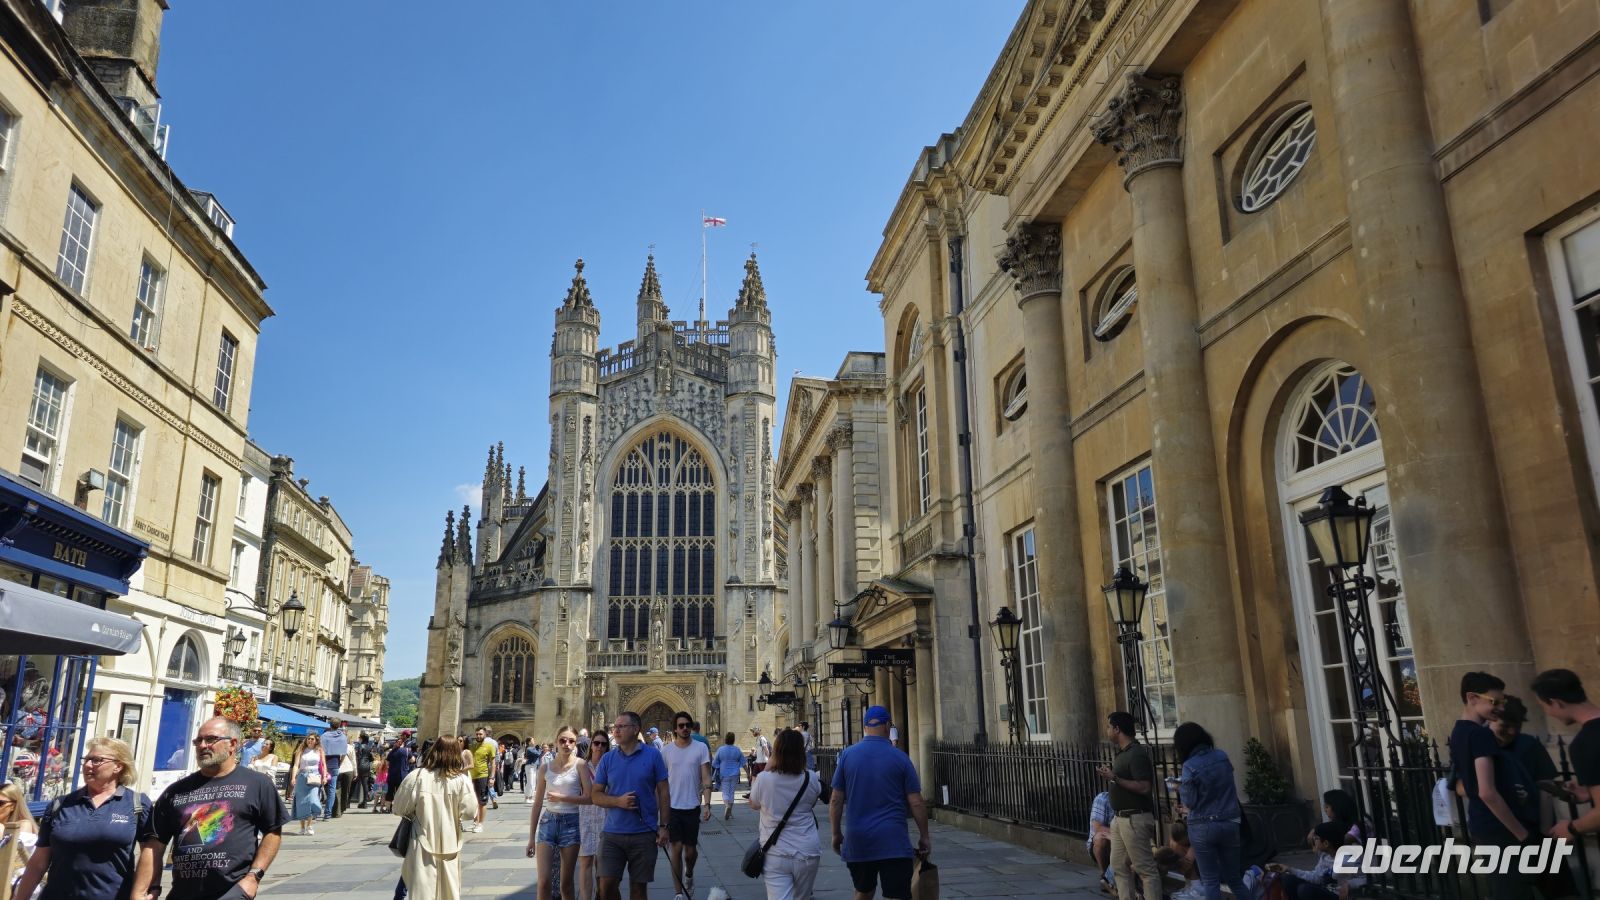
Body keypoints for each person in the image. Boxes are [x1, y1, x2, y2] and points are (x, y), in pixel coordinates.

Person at [132, 717, 287, 900]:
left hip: (232, 893)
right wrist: (143, 891)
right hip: (182, 893)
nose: (202, 745)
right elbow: (154, 845)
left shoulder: (257, 784)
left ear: (232, 744)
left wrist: (253, 877)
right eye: (198, 740)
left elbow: (273, 832)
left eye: (211, 739)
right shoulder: (176, 791)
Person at [13, 737, 151, 900]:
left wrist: (142, 892)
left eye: (96, 760)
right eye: (86, 760)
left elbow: (150, 853)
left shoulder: (137, 804)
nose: (87, 765)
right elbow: (38, 862)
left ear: (118, 766)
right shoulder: (60, 805)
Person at [1450, 671, 1537, 899]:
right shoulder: (1481, 735)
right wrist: (1522, 834)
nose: (1499, 708)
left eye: (1502, 702)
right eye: (1494, 702)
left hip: (1482, 824)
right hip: (1499, 827)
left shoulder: (1459, 731)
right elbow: (1487, 791)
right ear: (1472, 698)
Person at [829, 705, 929, 900]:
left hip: (859, 840)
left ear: (866, 727)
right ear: (886, 726)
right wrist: (925, 836)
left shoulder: (848, 755)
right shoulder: (901, 758)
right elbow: (916, 802)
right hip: (893, 840)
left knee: (863, 891)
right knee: (897, 895)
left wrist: (836, 833)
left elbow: (835, 800)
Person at [589, 711, 670, 900]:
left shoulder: (653, 755)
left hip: (644, 832)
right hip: (612, 832)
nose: (615, 731)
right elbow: (595, 795)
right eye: (614, 727)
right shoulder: (608, 759)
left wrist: (664, 826)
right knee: (605, 886)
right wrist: (617, 801)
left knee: (638, 889)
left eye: (620, 727)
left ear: (635, 729)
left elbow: (664, 792)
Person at [1172, 722, 1253, 900]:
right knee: (1235, 880)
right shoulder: (1222, 757)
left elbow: (1191, 801)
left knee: (1210, 881)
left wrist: (1181, 788)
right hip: (1229, 822)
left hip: (1202, 826)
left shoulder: (1189, 766)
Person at [393, 735, 478, 900]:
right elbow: (469, 812)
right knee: (449, 890)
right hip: (450, 841)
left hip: (421, 838)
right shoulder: (462, 781)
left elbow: (399, 808)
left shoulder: (418, 776)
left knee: (422, 890)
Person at [750, 728, 823, 900]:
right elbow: (812, 801)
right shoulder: (811, 778)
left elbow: (753, 804)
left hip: (777, 853)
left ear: (777, 751)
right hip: (808, 851)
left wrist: (770, 762)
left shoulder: (764, 779)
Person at [1098, 711, 1161, 900]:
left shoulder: (1136, 754)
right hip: (1120, 818)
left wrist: (1114, 778)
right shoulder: (1123, 754)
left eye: (1109, 727)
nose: (1107, 730)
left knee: (1145, 870)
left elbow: (1144, 787)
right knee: (1118, 866)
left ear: (1117, 729)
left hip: (1135, 818)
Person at [1532, 667, 1600, 840]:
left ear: (1556, 702)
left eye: (1544, 706)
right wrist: (1588, 792)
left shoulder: (1585, 743)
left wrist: (1571, 828)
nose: (1548, 712)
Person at [527, 726, 593, 900]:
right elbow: (537, 804)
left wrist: (563, 797)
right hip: (548, 822)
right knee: (543, 882)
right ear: (556, 742)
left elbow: (589, 798)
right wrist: (530, 839)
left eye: (571, 741)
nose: (566, 744)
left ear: (576, 744)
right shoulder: (545, 768)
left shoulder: (581, 765)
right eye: (563, 740)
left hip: (571, 823)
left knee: (566, 884)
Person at [660, 712, 711, 900]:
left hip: (692, 806)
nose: (685, 728)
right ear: (675, 728)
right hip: (672, 808)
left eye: (687, 725)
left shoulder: (700, 748)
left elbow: (706, 776)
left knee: (690, 852)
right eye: (681, 725)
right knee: (677, 848)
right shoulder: (666, 751)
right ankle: (678, 892)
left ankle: (689, 873)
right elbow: (661, 781)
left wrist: (707, 804)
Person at [1267, 822, 1356, 900]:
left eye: (1316, 838)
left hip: (1338, 896)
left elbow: (1365, 878)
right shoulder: (1325, 857)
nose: (1313, 841)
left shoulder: (1347, 858)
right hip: (1325, 889)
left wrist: (1349, 884)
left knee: (1305, 890)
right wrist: (1289, 869)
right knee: (1287, 878)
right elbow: (1316, 877)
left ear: (1326, 844)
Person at [576, 730, 610, 900]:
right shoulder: (581, 766)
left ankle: (600, 894)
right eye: (596, 743)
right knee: (585, 861)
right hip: (585, 817)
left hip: (605, 817)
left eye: (603, 744)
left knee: (602, 864)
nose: (599, 747)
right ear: (591, 745)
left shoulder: (611, 766)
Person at [1, 780, 39, 890]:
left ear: (13, 806)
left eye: (0, 803)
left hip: (14, 886)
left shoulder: (24, 825)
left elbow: (11, 858)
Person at [293, 732, 329, 834]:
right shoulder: (301, 750)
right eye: (308, 739)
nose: (310, 741)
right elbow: (296, 765)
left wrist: (325, 776)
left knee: (312, 800)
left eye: (312, 739)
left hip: (314, 777)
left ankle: (310, 824)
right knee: (302, 802)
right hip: (302, 776)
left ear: (316, 740)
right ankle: (302, 827)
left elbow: (323, 764)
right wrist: (293, 777)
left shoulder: (319, 750)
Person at [321, 720, 351, 819]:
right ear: (339, 725)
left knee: (318, 788)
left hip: (323, 764)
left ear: (330, 725)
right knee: (331, 790)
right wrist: (339, 763)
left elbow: (319, 750)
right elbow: (343, 754)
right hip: (334, 764)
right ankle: (327, 814)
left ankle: (314, 812)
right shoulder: (342, 737)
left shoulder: (324, 736)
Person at [469, 727, 497, 831]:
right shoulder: (472, 746)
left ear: (485, 734)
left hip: (483, 775)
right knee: (474, 800)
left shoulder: (489, 746)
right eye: (477, 734)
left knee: (482, 801)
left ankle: (480, 823)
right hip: (472, 776)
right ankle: (475, 821)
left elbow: (493, 763)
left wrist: (492, 777)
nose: (478, 736)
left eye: (480, 734)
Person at [1086, 789, 1114, 894]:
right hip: (1109, 840)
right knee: (1100, 838)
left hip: (1120, 840)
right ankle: (1104, 876)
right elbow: (1097, 827)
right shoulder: (1102, 798)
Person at [713, 732, 746, 821]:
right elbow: (743, 763)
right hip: (735, 774)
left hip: (724, 773)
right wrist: (748, 773)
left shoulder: (721, 749)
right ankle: (730, 811)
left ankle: (727, 806)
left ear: (725, 739)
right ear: (733, 740)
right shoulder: (737, 750)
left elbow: (715, 762)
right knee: (732, 792)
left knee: (725, 792)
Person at [387, 736, 414, 815]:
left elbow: (387, 763)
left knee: (390, 791)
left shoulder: (391, 752)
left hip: (391, 774)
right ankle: (398, 808)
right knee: (400, 792)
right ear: (403, 743)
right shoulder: (406, 751)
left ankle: (388, 808)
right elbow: (412, 760)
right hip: (402, 775)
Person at [355, 733, 376, 809]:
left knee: (354, 783)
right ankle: (365, 802)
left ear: (362, 739)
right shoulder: (368, 747)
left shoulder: (360, 746)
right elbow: (372, 759)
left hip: (360, 766)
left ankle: (347, 801)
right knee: (365, 785)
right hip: (367, 766)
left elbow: (358, 756)